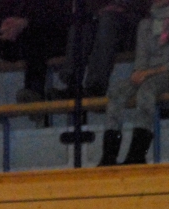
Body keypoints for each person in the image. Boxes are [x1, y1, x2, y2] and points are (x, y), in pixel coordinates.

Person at [97, 0, 169, 165]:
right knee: (117, 91)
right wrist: (139, 71)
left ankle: (138, 153)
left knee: (147, 91)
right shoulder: (146, 24)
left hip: (164, 73)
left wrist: (147, 72)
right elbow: (142, 56)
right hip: (148, 73)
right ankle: (109, 154)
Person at [0, 0, 70, 106]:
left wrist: (25, 22)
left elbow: (58, 13)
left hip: (48, 34)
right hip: (14, 36)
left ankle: (33, 90)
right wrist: (5, 24)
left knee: (36, 34)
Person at [60, 0, 152, 97]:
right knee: (81, 27)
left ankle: (95, 87)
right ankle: (72, 84)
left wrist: (121, 7)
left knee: (108, 21)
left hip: (132, 22)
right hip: (104, 20)